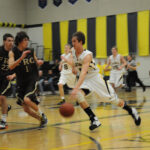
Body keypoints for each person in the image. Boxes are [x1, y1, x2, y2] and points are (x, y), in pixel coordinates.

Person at [62, 31, 141, 130]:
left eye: (74, 41)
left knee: (115, 101)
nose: (72, 43)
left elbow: (83, 72)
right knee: (79, 95)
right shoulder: (73, 51)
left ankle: (132, 111)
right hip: (86, 81)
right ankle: (94, 119)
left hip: (96, 80)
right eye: (72, 41)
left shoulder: (87, 55)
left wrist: (76, 87)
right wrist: (74, 68)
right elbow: (75, 62)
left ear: (81, 42)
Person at [8, 31, 47, 128]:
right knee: (26, 109)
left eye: (27, 40)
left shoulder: (31, 50)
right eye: (25, 40)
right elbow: (11, 66)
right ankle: (41, 120)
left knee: (27, 99)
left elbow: (36, 61)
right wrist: (21, 58)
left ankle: (42, 115)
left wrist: (39, 62)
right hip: (21, 82)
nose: (27, 42)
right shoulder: (13, 52)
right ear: (20, 41)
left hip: (32, 79)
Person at [0, 33, 15, 129]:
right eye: (9, 40)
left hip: (6, 78)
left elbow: (19, 68)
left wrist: (13, 75)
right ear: (4, 41)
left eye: (12, 41)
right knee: (1, 100)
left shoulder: (14, 53)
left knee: (2, 97)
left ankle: (3, 121)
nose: (11, 42)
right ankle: (6, 107)